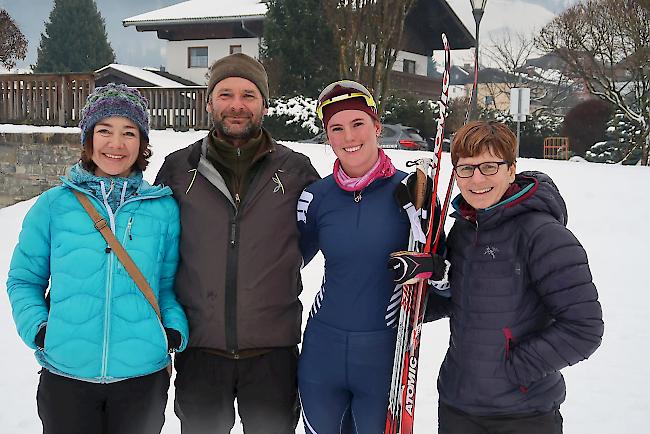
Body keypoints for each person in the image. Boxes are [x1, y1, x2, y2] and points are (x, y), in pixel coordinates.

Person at [6, 83, 189, 434]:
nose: (116, 144)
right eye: (104, 131)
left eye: (129, 132)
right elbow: (24, 279)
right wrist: (41, 331)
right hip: (66, 378)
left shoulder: (163, 209)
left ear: (142, 142)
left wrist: (171, 329)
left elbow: (167, 284)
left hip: (142, 379)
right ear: (88, 139)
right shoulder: (54, 205)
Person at [154, 52, 320, 434]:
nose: (237, 105)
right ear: (209, 101)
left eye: (248, 95)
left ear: (264, 104)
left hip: (272, 356)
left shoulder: (296, 171)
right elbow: (158, 245)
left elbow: (310, 242)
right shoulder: (179, 169)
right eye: (225, 94)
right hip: (199, 351)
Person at [424, 120, 604, 434]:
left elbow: (584, 328)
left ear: (511, 170)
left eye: (489, 167)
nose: (476, 179)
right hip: (458, 407)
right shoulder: (465, 229)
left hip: (523, 416)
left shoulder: (544, 235)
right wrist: (424, 286)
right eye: (465, 169)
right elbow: (455, 300)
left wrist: (516, 370)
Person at [296, 79, 446, 433]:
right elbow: (284, 265)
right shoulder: (316, 198)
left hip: (385, 354)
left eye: (358, 123)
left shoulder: (416, 194)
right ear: (327, 136)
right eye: (336, 128)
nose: (349, 136)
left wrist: (432, 269)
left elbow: (448, 286)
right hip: (322, 350)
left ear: (377, 126)